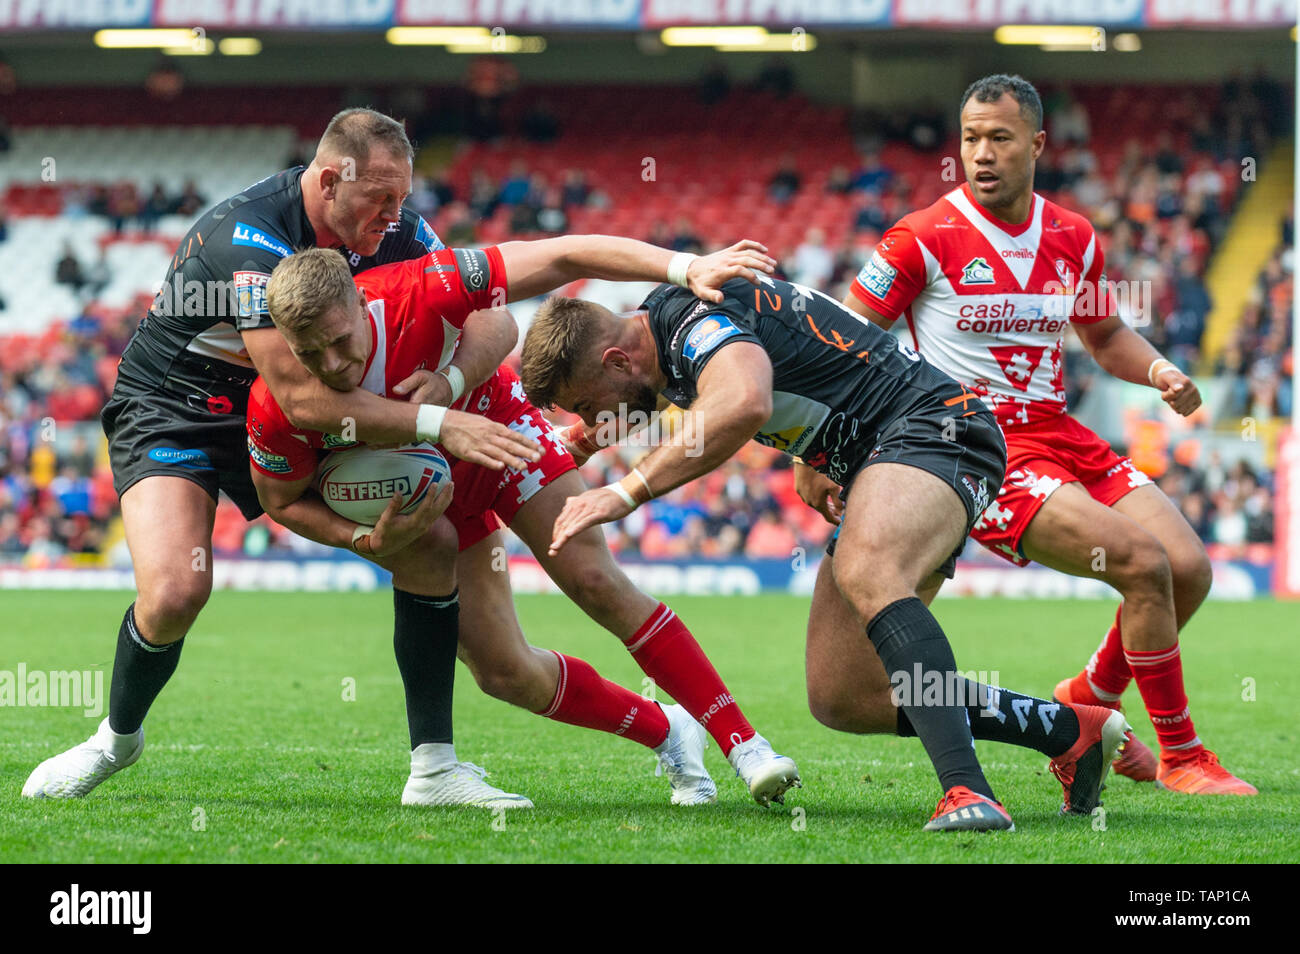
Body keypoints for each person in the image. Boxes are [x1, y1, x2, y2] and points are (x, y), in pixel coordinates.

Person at [23, 108, 540, 805]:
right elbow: (304, 400)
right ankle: (115, 739)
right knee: (177, 591)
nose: (397, 214)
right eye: (379, 199)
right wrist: (437, 424)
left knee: (430, 542)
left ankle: (435, 769)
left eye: (401, 197)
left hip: (291, 416)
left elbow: (491, 316)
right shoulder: (246, 239)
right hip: (180, 407)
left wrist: (450, 380)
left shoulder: (401, 232)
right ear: (329, 181)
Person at [519, 272, 1129, 832]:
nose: (589, 417)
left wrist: (625, 492)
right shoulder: (665, 336)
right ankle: (1068, 730)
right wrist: (587, 439)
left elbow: (743, 402)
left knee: (870, 572)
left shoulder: (691, 324)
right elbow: (746, 379)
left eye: (584, 403)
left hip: (935, 426)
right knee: (842, 693)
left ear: (615, 358)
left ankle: (969, 792)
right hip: (879, 455)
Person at [247, 236, 801, 807]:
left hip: (502, 431)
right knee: (506, 674)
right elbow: (280, 500)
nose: (332, 365)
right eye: (310, 354)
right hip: (426, 501)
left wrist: (453, 382)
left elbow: (520, 302)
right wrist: (360, 537)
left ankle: (745, 745)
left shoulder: (415, 290)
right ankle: (669, 731)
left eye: (341, 342)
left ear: (363, 307)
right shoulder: (276, 404)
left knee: (594, 581)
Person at [836, 74, 1253, 796]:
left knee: (1187, 569)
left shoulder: (1072, 235)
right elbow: (842, 341)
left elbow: (1104, 333)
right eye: (970, 138)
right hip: (975, 445)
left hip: (1061, 431)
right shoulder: (922, 236)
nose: (981, 153)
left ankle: (1088, 692)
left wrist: (1158, 371)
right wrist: (829, 451)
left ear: (1036, 143)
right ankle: (1182, 755)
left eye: (999, 137)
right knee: (1140, 561)